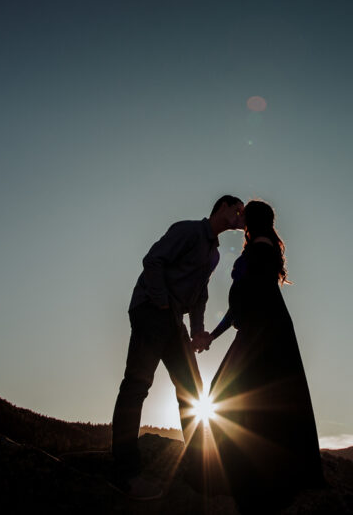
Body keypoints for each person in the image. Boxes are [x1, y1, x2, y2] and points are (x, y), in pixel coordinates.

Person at [110, 195, 244, 499]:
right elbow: (153, 260)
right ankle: (124, 473)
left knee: (192, 389)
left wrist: (197, 330)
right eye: (237, 210)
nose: (240, 217)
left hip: (174, 323)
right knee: (137, 385)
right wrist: (160, 302)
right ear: (222, 207)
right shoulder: (187, 231)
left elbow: (200, 295)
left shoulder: (214, 255)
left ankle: (199, 472)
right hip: (151, 310)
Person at [205, 200, 324, 510]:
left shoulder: (261, 248)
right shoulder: (260, 248)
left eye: (244, 213)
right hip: (261, 332)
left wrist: (217, 333)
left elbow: (246, 299)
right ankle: (247, 474)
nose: (239, 216)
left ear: (253, 219)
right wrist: (213, 336)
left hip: (264, 334)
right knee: (241, 396)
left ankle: (246, 478)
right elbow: (239, 306)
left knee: (235, 395)